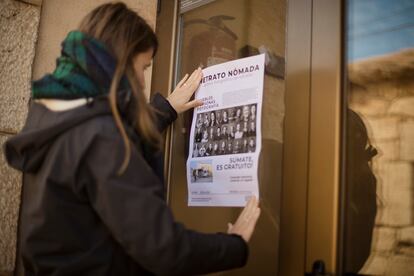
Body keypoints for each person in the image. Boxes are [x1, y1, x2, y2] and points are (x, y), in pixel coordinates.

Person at [3, 3, 260, 275]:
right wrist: (235, 245)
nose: (141, 82)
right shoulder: (102, 138)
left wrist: (165, 108)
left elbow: (97, 143)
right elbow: (163, 248)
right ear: (119, 62)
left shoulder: (53, 112)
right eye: (143, 67)